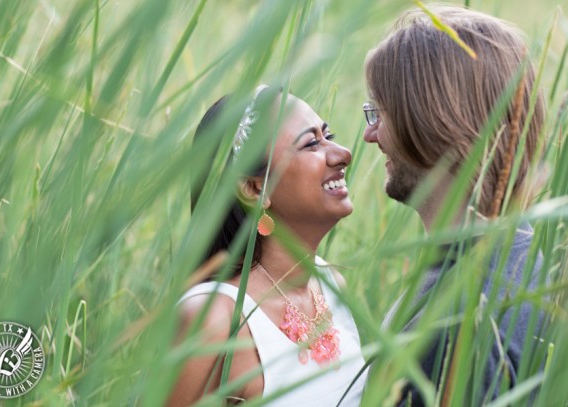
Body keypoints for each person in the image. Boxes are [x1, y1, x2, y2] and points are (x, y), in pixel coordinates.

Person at [362, 5, 547, 406]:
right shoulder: (530, 258)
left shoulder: (455, 325)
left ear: (433, 121)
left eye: (380, 112)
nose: (369, 134)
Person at [168, 85, 366, 406]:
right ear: (253, 188)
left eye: (329, 135)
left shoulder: (331, 285)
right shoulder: (214, 320)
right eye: (311, 143)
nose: (343, 153)